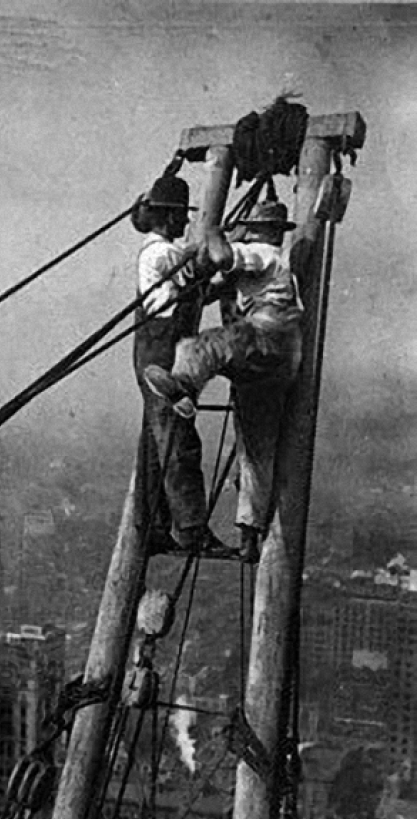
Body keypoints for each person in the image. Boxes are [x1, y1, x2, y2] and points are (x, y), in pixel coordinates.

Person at [143, 199, 303, 562]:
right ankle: (250, 536)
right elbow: (211, 286)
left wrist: (217, 229)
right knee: (256, 450)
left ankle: (183, 385)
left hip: (266, 336)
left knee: (204, 345)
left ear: (260, 231)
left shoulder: (263, 253)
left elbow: (218, 254)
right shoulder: (273, 266)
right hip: (278, 360)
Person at [132, 174, 233, 556]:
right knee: (179, 441)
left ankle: (153, 526)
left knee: (156, 444)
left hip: (154, 353)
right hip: (164, 358)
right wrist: (223, 240)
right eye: (180, 216)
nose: (184, 223)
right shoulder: (163, 254)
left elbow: (196, 290)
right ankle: (190, 528)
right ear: (167, 216)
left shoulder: (158, 254)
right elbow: (203, 264)